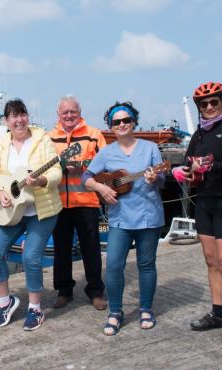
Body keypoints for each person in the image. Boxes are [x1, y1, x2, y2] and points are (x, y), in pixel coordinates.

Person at [173, 82, 222, 350]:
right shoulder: (199, 134)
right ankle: (218, 313)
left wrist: (213, 165)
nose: (208, 107)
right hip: (203, 201)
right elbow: (188, 161)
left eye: (214, 102)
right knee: (211, 260)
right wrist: (184, 172)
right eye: (203, 104)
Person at [82, 102, 165, 335]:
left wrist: (154, 179)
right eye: (116, 122)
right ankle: (116, 312)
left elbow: (162, 178)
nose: (121, 124)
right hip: (119, 217)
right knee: (114, 266)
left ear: (133, 122)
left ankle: (146, 308)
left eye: (126, 120)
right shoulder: (107, 152)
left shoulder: (150, 148)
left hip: (149, 215)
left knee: (146, 264)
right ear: (111, 125)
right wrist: (102, 188)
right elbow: (86, 178)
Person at [0, 99, 62, 331]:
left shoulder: (41, 140)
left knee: (30, 257)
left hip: (41, 210)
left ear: (28, 116)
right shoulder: (0, 144)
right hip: (12, 210)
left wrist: (42, 180)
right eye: (13, 116)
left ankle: (35, 309)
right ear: (6, 121)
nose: (19, 120)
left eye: (22, 114)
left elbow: (57, 171)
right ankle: (4, 303)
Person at [47, 95, 107, 310]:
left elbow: (105, 163)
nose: (69, 115)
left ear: (79, 112)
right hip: (59, 203)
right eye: (65, 112)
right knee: (61, 249)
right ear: (59, 115)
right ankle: (64, 291)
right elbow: (44, 165)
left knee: (90, 248)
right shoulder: (49, 137)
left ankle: (96, 291)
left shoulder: (94, 135)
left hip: (87, 200)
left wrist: (83, 167)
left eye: (73, 111)